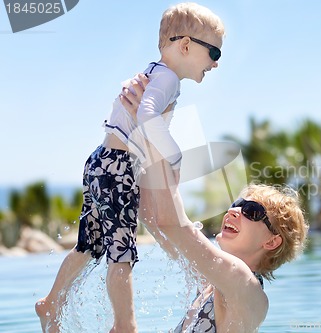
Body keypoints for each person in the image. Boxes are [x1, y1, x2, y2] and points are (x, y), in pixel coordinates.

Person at [35, 3, 225, 332]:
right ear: (185, 46)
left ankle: (52, 301)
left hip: (99, 161)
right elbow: (148, 116)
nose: (216, 63)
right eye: (213, 52)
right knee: (122, 253)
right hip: (117, 167)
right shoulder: (167, 79)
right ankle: (126, 325)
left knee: (89, 245)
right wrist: (175, 157)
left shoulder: (152, 72)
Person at [120, 87, 309, 332]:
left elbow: (172, 223)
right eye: (236, 205)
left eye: (251, 211)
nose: (234, 212)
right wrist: (146, 136)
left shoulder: (243, 284)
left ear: (272, 241)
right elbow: (153, 218)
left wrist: (153, 125)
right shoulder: (211, 281)